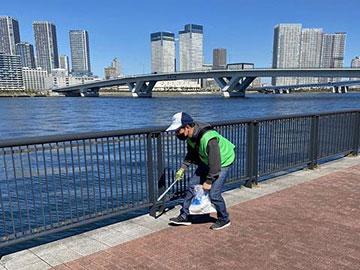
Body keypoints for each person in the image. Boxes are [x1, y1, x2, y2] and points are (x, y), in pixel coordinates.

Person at [166, 112, 235, 230]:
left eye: (178, 130)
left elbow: (215, 164)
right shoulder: (190, 137)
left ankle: (224, 218)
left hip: (223, 160)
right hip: (207, 160)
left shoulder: (209, 138)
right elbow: (191, 155)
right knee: (192, 186)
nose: (177, 134)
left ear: (187, 127)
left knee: (214, 193)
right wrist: (182, 168)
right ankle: (184, 216)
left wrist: (209, 181)